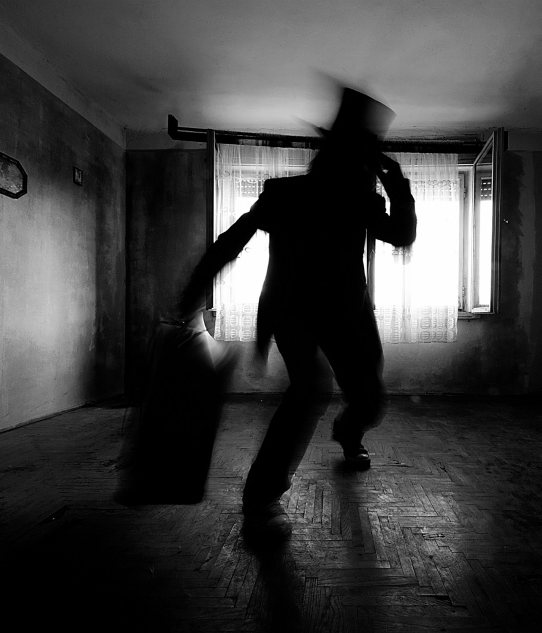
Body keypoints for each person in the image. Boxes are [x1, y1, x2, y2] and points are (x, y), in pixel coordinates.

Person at [177, 87, 416, 539]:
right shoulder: (285, 194)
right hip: (293, 312)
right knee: (311, 388)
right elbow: (233, 240)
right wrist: (190, 295)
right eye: (356, 155)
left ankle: (348, 434)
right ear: (330, 155)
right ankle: (260, 498)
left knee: (369, 400)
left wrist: (395, 182)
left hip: (349, 316)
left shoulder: (362, 199)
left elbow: (402, 236)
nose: (361, 165)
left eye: (366, 159)